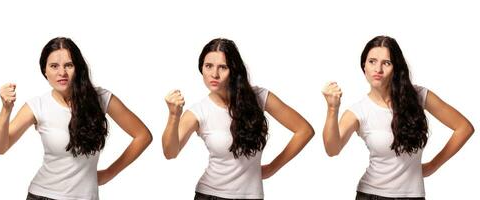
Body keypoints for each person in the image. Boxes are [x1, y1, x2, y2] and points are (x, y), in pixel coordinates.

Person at [0, 37, 152, 200]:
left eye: (68, 65)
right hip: (43, 195)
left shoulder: (100, 98)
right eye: (54, 66)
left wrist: (110, 173)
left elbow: (143, 135)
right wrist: (6, 110)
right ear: (45, 71)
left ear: (78, 67)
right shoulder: (37, 105)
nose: (62, 73)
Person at [322, 35, 474, 199]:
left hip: (413, 195)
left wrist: (432, 166)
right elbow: (332, 149)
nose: (378, 69)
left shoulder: (419, 95)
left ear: (396, 68)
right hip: (371, 195)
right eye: (372, 61)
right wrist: (332, 109)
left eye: (386, 63)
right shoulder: (358, 111)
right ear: (363, 66)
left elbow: (464, 127)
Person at [162, 38, 314, 200]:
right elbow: (170, 152)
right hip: (211, 195)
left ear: (233, 70)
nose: (214, 74)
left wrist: (272, 168)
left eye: (223, 67)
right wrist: (173, 117)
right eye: (208, 66)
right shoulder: (199, 111)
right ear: (202, 69)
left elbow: (304, 130)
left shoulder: (259, 97)